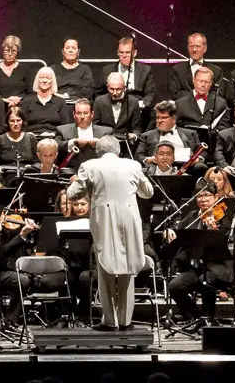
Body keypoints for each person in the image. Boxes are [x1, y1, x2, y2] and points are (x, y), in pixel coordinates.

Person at [67, 136, 154, 330]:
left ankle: (110, 320)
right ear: (118, 151)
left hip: (104, 218)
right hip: (130, 217)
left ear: (98, 152)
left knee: (105, 267)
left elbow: (73, 194)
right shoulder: (133, 165)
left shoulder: (89, 166)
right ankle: (125, 320)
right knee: (128, 266)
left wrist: (75, 181)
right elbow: (148, 193)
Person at [165, 183, 235, 322]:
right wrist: (169, 231)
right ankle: (194, 318)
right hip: (196, 268)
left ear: (216, 197)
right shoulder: (192, 215)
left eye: (207, 195)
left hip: (218, 268)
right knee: (175, 286)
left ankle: (208, 319)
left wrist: (214, 231)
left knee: (205, 282)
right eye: (199, 196)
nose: (203, 199)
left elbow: (229, 241)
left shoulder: (225, 216)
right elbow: (178, 230)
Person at [137, 101, 200, 170]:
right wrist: (148, 160)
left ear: (173, 119)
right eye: (158, 118)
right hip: (157, 168)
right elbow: (138, 155)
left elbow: (203, 152)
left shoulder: (190, 134)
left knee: (200, 167)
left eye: (164, 118)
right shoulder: (147, 136)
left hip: (185, 168)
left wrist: (197, 159)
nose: (160, 121)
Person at [99, 36, 155, 110]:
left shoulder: (145, 70)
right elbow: (99, 94)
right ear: (117, 52)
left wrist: (142, 105)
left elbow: (150, 94)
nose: (124, 56)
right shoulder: (107, 70)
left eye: (127, 53)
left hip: (138, 109)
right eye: (121, 52)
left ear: (134, 53)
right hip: (113, 108)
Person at [58, 98, 113, 168]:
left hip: (98, 171)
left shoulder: (106, 131)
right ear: (74, 114)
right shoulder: (62, 130)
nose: (82, 117)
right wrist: (73, 142)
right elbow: (56, 146)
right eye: (78, 113)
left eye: (85, 113)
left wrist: (100, 143)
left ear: (92, 114)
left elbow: (113, 149)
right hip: (71, 171)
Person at [169, 33, 225, 100]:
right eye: (191, 46)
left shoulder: (216, 70)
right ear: (188, 48)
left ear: (205, 48)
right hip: (185, 108)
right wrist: (196, 97)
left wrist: (204, 100)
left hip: (208, 108)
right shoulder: (177, 69)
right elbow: (175, 93)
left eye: (198, 46)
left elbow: (219, 93)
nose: (194, 50)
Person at [173, 67, 231, 131]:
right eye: (200, 81)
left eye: (206, 82)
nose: (203, 85)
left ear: (211, 83)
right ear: (193, 80)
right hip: (189, 139)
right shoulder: (180, 104)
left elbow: (225, 128)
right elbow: (176, 128)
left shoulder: (220, 103)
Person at [20, 66, 70, 134]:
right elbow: (21, 125)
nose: (44, 81)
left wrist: (54, 133)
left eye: (48, 78)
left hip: (53, 137)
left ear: (52, 81)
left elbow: (65, 126)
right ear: (37, 80)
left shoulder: (60, 102)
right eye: (42, 78)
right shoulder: (27, 102)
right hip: (31, 136)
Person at [93, 72, 143, 137]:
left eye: (118, 89)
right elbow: (94, 125)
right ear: (107, 87)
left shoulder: (133, 102)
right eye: (111, 89)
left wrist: (134, 135)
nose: (114, 93)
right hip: (105, 140)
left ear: (124, 88)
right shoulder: (99, 101)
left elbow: (137, 128)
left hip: (125, 141)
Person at [0, 35, 35, 105]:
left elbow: (31, 93)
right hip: (0, 106)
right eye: (7, 50)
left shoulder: (25, 69)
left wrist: (19, 99)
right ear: (3, 50)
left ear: (17, 52)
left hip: (21, 106)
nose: (10, 54)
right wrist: (3, 100)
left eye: (13, 51)